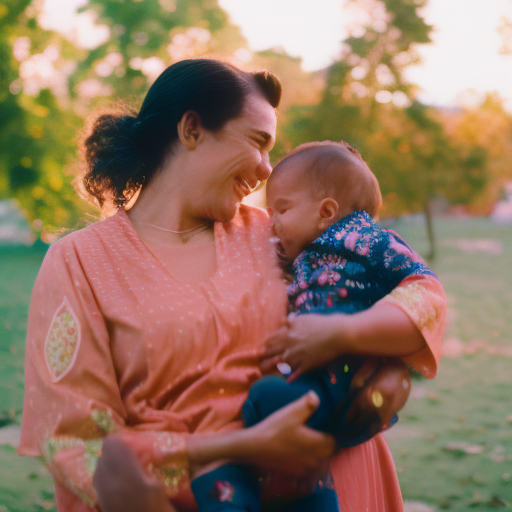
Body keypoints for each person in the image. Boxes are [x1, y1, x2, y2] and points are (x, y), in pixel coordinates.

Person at [18, 58, 446, 512]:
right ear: (192, 130)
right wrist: (238, 447)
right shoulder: (81, 261)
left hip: (337, 483)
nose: (266, 170)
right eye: (258, 142)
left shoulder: (282, 236)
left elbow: (399, 292)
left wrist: (390, 372)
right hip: (198, 497)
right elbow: (76, 443)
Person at [189, 140, 436, 512]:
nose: (272, 224)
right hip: (317, 384)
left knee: (267, 402)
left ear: (326, 211)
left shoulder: (365, 239)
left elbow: (424, 288)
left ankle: (262, 498)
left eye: (282, 210)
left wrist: (343, 334)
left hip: (343, 380)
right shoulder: (304, 254)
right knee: (266, 409)